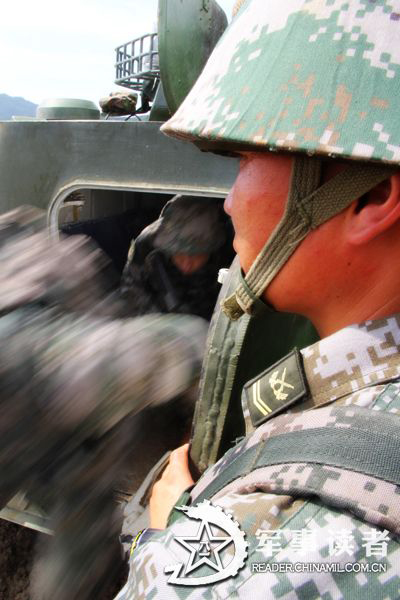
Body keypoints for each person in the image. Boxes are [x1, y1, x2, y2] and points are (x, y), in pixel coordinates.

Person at [115, 1, 400, 598]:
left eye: (244, 158)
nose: (229, 200)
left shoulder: (305, 526)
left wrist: (164, 544)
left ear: (370, 196)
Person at [0, 205, 209, 600]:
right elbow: (134, 305)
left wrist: (202, 430)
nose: (187, 261)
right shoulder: (149, 256)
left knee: (78, 562)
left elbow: (184, 345)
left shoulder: (46, 367)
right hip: (73, 392)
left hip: (81, 406)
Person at [121, 194, 232, 320]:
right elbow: (131, 294)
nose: (186, 264)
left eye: (196, 256)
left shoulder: (231, 248)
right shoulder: (147, 246)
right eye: (179, 255)